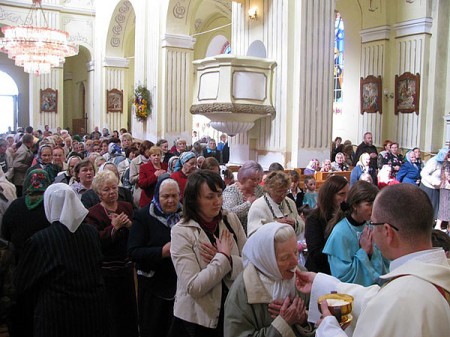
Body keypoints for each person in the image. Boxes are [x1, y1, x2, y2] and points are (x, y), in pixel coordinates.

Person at [296, 183, 450, 337]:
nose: (370, 230)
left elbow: (389, 301)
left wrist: (328, 330)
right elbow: (376, 299)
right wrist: (323, 283)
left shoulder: (400, 298)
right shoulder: (436, 273)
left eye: (374, 224)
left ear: (388, 232)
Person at [14, 183, 109, 337]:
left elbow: (22, 282)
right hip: (93, 312)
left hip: (57, 317)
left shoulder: (40, 240)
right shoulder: (91, 232)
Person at [169, 170, 246, 337]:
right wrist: (223, 258)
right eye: (210, 197)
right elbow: (194, 286)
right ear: (194, 200)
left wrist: (230, 262)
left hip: (232, 311)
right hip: (199, 319)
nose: (217, 202)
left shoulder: (230, 219)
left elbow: (249, 264)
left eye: (219, 194)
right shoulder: (181, 231)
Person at [224, 222, 314, 337]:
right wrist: (282, 324)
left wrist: (302, 318)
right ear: (266, 259)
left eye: (295, 252)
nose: (295, 262)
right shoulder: (242, 291)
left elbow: (321, 323)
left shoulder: (301, 274)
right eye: (285, 257)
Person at [85, 171, 138, 337]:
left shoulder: (126, 207)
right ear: (99, 193)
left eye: (114, 188)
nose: (112, 192)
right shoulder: (93, 213)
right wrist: (113, 227)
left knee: (129, 308)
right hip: (107, 270)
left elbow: (137, 233)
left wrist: (130, 226)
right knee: (112, 312)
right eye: (106, 189)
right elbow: (95, 241)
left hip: (127, 267)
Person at [128, 175, 182, 337]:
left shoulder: (184, 215)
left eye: (174, 196)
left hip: (179, 285)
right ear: (157, 196)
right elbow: (133, 252)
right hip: (153, 286)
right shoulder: (143, 216)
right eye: (166, 196)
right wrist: (161, 252)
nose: (171, 201)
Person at [322, 181, 388, 286]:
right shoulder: (340, 233)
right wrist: (364, 252)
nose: (373, 209)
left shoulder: (371, 226)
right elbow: (342, 276)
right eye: (369, 204)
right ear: (355, 206)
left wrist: (372, 253)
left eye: (375, 204)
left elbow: (385, 262)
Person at [304, 175, 349, 274]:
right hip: (320, 272)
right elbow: (315, 254)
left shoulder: (347, 214)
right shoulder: (314, 218)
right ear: (330, 195)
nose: (346, 199)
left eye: (347, 194)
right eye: (341, 194)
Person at [247, 171, 304, 238]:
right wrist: (275, 225)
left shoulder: (290, 202)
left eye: (285, 191)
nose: (283, 195)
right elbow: (253, 235)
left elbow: (302, 224)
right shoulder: (258, 206)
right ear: (269, 190)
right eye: (279, 191)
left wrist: (294, 224)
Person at [222, 161, 264, 233]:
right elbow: (228, 213)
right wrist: (248, 204)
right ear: (244, 178)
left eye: (258, 179)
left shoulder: (259, 189)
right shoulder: (231, 191)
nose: (256, 182)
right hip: (236, 233)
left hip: (256, 230)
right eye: (253, 179)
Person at [420, 147, 447, 221]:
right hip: (428, 187)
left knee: (435, 209)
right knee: (427, 208)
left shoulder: (446, 162)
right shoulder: (433, 161)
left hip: (438, 188)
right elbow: (424, 173)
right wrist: (434, 182)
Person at [438, 148, 450, 231]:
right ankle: (439, 226)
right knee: (444, 206)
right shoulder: (447, 164)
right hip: (446, 187)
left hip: (447, 187)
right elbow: (448, 176)